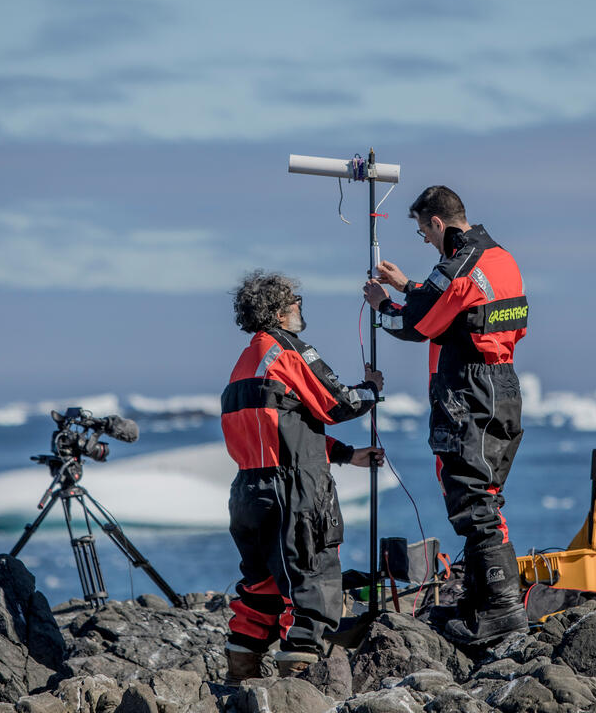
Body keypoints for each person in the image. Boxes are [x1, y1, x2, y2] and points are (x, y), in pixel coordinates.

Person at [363, 185, 528, 646]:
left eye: (423, 234)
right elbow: (460, 308)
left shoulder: (456, 265)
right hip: (504, 384)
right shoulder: (502, 259)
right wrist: (407, 286)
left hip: (467, 388)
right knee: (486, 492)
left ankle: (500, 610)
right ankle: (482, 599)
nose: (428, 243)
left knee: (469, 496)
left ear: (438, 223)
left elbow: (417, 325)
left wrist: (383, 307)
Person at [221, 270, 384, 682]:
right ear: (279, 310)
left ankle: (241, 680)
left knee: (260, 589)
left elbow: (285, 431)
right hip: (292, 492)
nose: (300, 308)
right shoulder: (287, 350)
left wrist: (347, 455)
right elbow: (337, 403)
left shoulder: (242, 367)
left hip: (248, 493)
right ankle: (297, 690)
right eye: (296, 301)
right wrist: (370, 388)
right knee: (311, 584)